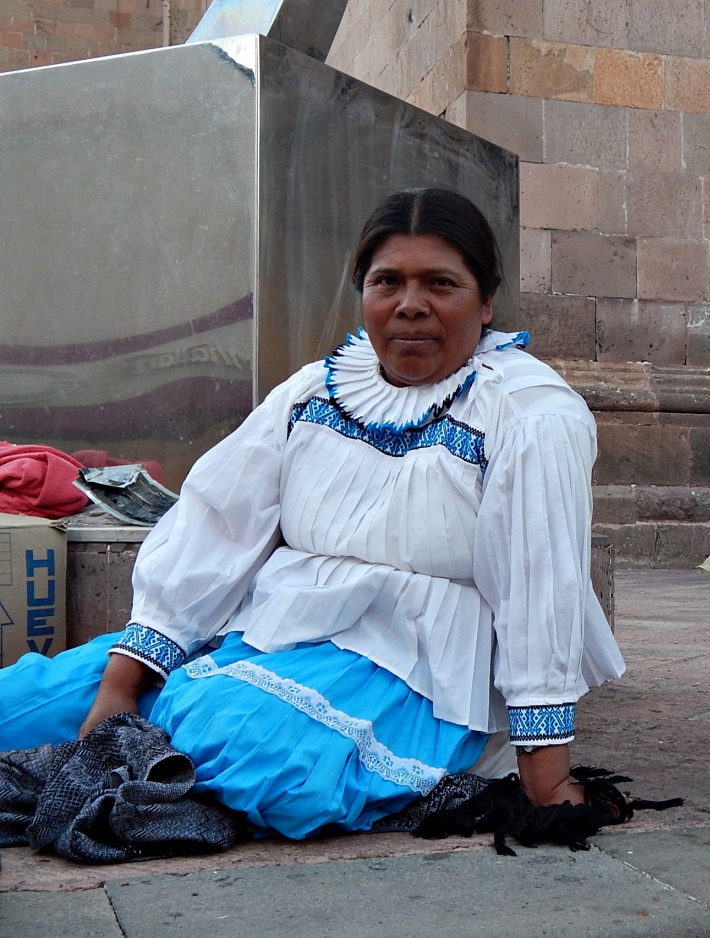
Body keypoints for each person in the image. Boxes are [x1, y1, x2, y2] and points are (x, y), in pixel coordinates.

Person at [0, 188, 626, 840]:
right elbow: (216, 525)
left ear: (487, 301)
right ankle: (141, 741)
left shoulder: (529, 411)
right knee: (24, 704)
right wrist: (121, 688)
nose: (410, 304)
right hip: (268, 631)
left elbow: (540, 585)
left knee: (240, 747)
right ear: (364, 294)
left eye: (440, 283)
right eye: (388, 282)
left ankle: (161, 746)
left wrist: (545, 779)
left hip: (419, 669)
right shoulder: (312, 392)